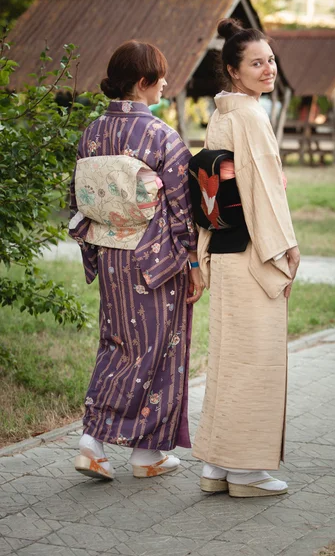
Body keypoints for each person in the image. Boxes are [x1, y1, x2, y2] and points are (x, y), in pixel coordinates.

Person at [69, 40, 203, 481]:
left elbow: (79, 198)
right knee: (157, 349)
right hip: (155, 261)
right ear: (143, 83)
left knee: (117, 343)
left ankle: (130, 450)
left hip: (109, 254)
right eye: (160, 76)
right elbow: (183, 209)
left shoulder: (90, 133)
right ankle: (113, 446)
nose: (166, 83)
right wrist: (193, 262)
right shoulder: (160, 135)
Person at [192, 18, 300, 498]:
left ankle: (217, 466)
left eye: (270, 60)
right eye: (257, 63)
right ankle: (247, 473)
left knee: (230, 358)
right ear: (234, 72)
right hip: (254, 248)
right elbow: (261, 191)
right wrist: (285, 250)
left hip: (226, 247)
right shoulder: (252, 117)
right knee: (256, 359)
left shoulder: (223, 114)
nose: (268, 69)